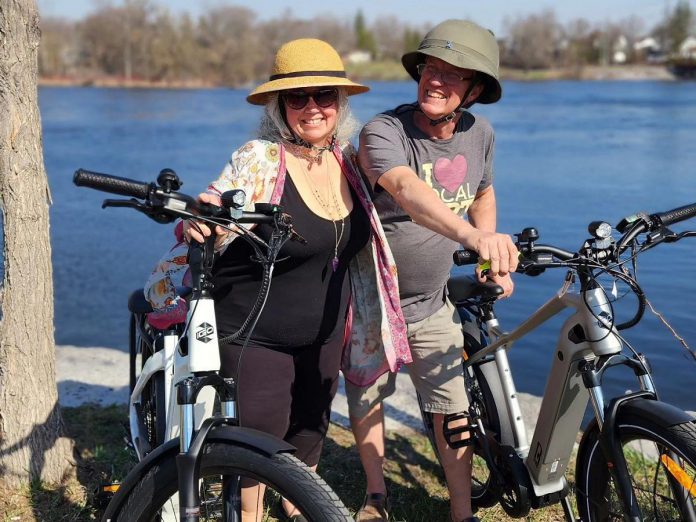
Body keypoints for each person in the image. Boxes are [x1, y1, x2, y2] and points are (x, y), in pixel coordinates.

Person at [144, 38, 410, 522]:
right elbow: (213, 203)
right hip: (254, 331)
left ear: (340, 102)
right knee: (260, 445)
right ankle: (251, 516)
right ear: (278, 105)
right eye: (297, 97)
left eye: (324, 96)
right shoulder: (259, 158)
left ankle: (299, 506)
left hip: (325, 330)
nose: (312, 108)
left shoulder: (350, 161)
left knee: (310, 430)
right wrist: (201, 221)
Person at [345, 19, 519, 522]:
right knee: (368, 398)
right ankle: (377, 495)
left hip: (432, 303)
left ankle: (461, 512)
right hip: (371, 301)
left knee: (453, 408)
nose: (434, 80)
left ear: (476, 89)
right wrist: (473, 237)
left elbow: (482, 192)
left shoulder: (479, 134)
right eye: (430, 67)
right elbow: (405, 190)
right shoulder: (383, 131)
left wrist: (490, 254)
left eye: (452, 73)